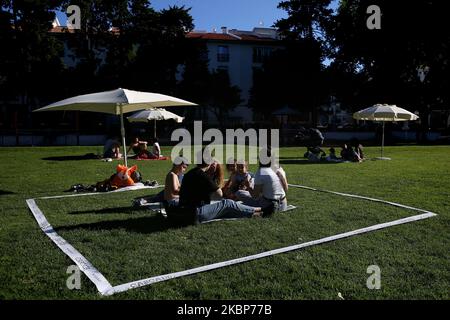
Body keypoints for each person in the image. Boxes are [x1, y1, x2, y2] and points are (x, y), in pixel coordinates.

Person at [174, 152, 267, 224]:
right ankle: (258, 209)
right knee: (226, 203)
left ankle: (255, 214)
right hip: (196, 214)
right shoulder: (202, 175)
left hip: (184, 213)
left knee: (226, 208)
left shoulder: (190, 173)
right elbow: (219, 195)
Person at [236, 148, 287, 213]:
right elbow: (286, 189)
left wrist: (248, 186)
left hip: (270, 207)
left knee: (239, 193)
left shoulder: (261, 172)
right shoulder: (280, 169)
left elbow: (255, 196)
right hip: (283, 205)